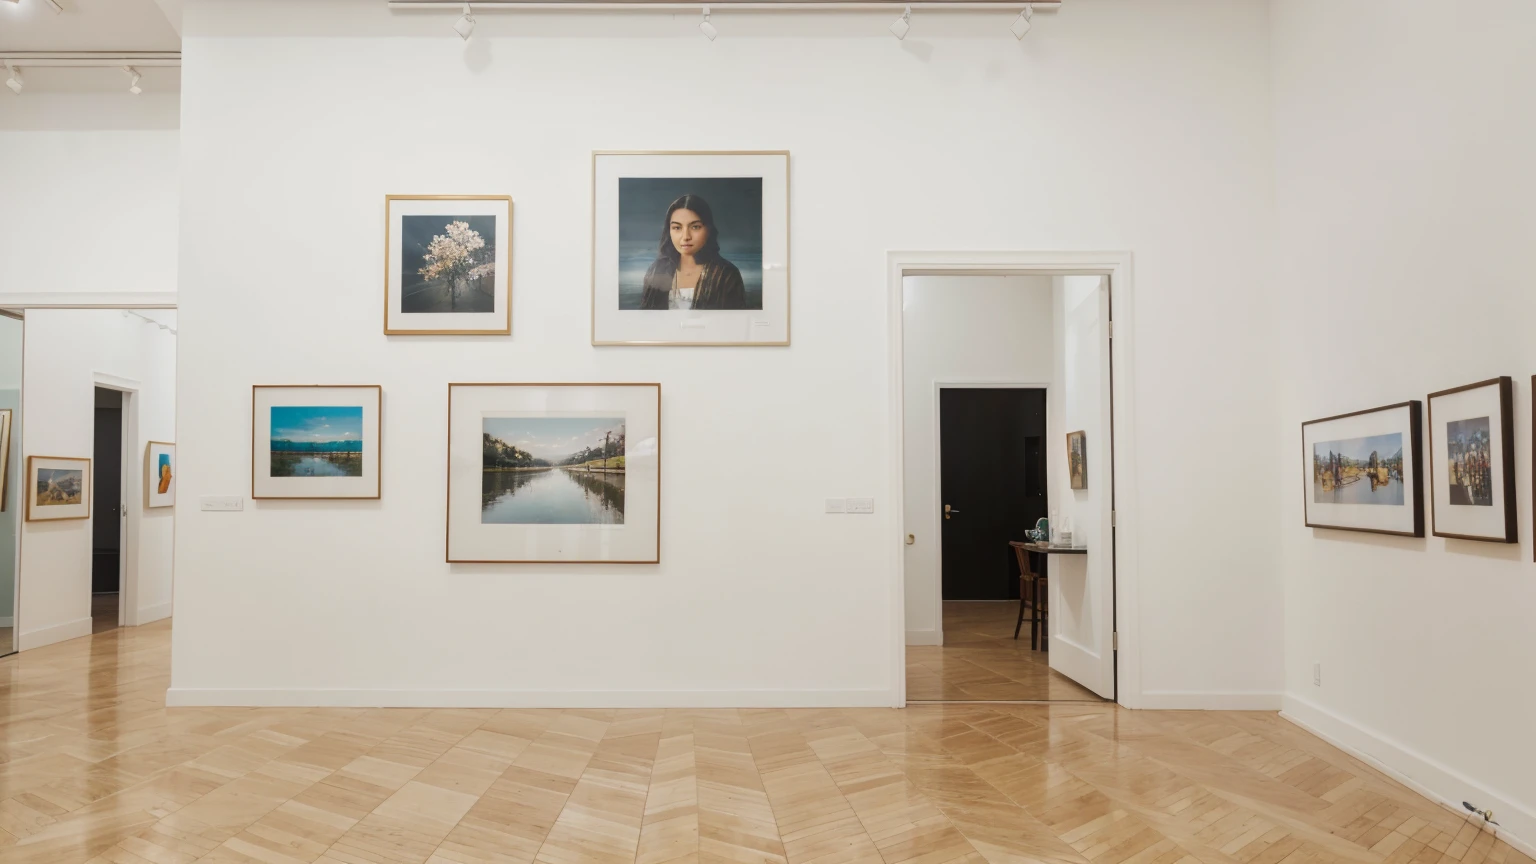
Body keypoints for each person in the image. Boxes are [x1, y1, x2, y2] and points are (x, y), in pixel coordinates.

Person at [639, 194, 747, 310]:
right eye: (677, 228)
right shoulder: (656, 270)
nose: (685, 236)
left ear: (708, 229)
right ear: (668, 230)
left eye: (695, 227)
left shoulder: (726, 274)